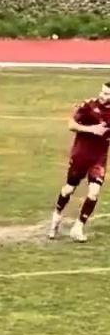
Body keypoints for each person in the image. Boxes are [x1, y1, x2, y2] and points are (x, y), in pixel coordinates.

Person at [51, 80, 110, 242]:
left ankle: (78, 227)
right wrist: (92, 129)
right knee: (69, 189)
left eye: (106, 94)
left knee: (94, 192)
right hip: (81, 156)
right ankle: (57, 215)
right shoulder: (89, 106)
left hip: (98, 159)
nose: (102, 95)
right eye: (102, 92)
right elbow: (71, 125)